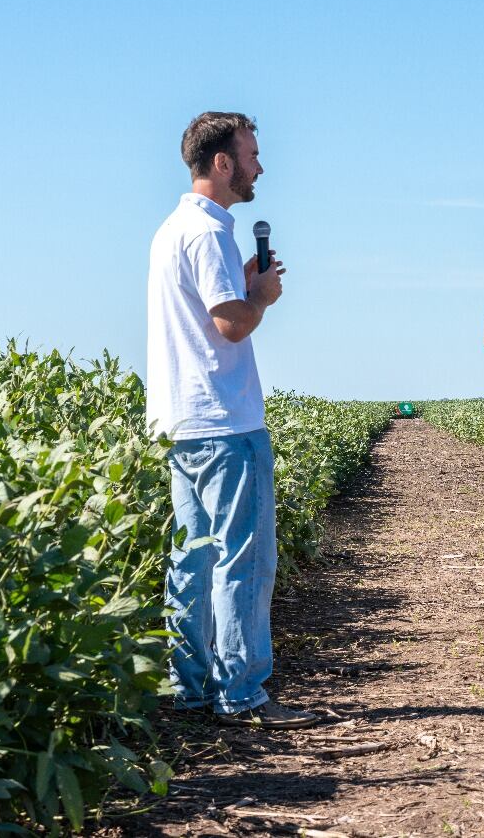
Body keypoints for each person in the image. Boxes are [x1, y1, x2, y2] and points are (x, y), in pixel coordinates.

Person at [146, 111, 316, 729]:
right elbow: (231, 324)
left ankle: (189, 689)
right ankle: (242, 693)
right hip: (225, 419)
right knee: (242, 559)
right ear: (222, 163)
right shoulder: (211, 230)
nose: (259, 168)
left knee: (192, 559)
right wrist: (260, 297)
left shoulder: (172, 229)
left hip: (180, 421)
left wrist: (243, 288)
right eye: (251, 155)